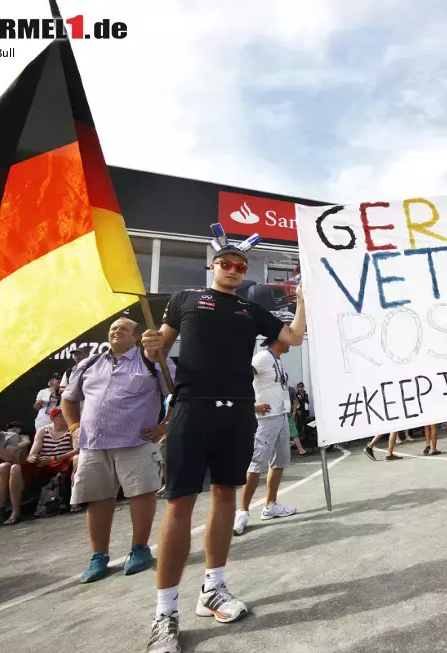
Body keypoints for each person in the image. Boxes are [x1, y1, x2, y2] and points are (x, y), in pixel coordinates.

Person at [141, 240, 306, 653]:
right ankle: (165, 614)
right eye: (227, 264)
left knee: (225, 496)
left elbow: (296, 337)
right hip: (192, 407)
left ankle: (212, 589)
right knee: (179, 502)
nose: (233, 270)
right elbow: (160, 344)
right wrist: (151, 347)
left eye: (240, 266)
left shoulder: (250, 309)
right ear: (213, 265)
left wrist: (303, 300)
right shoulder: (185, 299)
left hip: (238, 410)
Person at [61, 317, 175, 583]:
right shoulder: (88, 363)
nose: (117, 331)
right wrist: (74, 428)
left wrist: (164, 426)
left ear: (136, 337)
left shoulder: (152, 360)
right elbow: (68, 400)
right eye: (113, 328)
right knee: (98, 499)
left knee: (141, 495)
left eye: (124, 329)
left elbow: (179, 393)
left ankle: (139, 548)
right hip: (93, 445)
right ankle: (99, 555)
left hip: (135, 443)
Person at [233, 336, 298, 537]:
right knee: (257, 464)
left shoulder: (277, 360)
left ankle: (271, 504)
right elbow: (238, 379)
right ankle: (243, 511)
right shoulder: (262, 358)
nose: (292, 341)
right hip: (266, 419)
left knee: (279, 462)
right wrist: (250, 405)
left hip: (281, 416)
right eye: (288, 337)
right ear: (279, 339)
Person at [4, 407, 78, 525]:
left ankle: (75, 502)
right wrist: (32, 458)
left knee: (77, 459)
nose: (66, 416)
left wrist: (54, 458)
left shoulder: (72, 430)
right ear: (54, 418)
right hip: (44, 463)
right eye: (62, 414)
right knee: (15, 468)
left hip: (63, 461)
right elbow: (32, 453)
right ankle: (15, 511)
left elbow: (76, 451)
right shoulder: (43, 431)